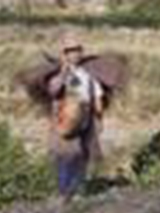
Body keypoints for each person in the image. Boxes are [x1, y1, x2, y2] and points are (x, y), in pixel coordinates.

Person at [18, 35, 128, 200]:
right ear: (64, 53)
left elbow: (96, 96)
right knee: (65, 155)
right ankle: (64, 193)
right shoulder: (58, 74)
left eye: (76, 50)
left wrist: (98, 118)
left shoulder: (88, 73)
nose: (74, 54)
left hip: (86, 120)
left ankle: (77, 192)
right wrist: (63, 70)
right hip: (65, 119)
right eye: (70, 51)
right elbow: (54, 90)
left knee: (82, 155)